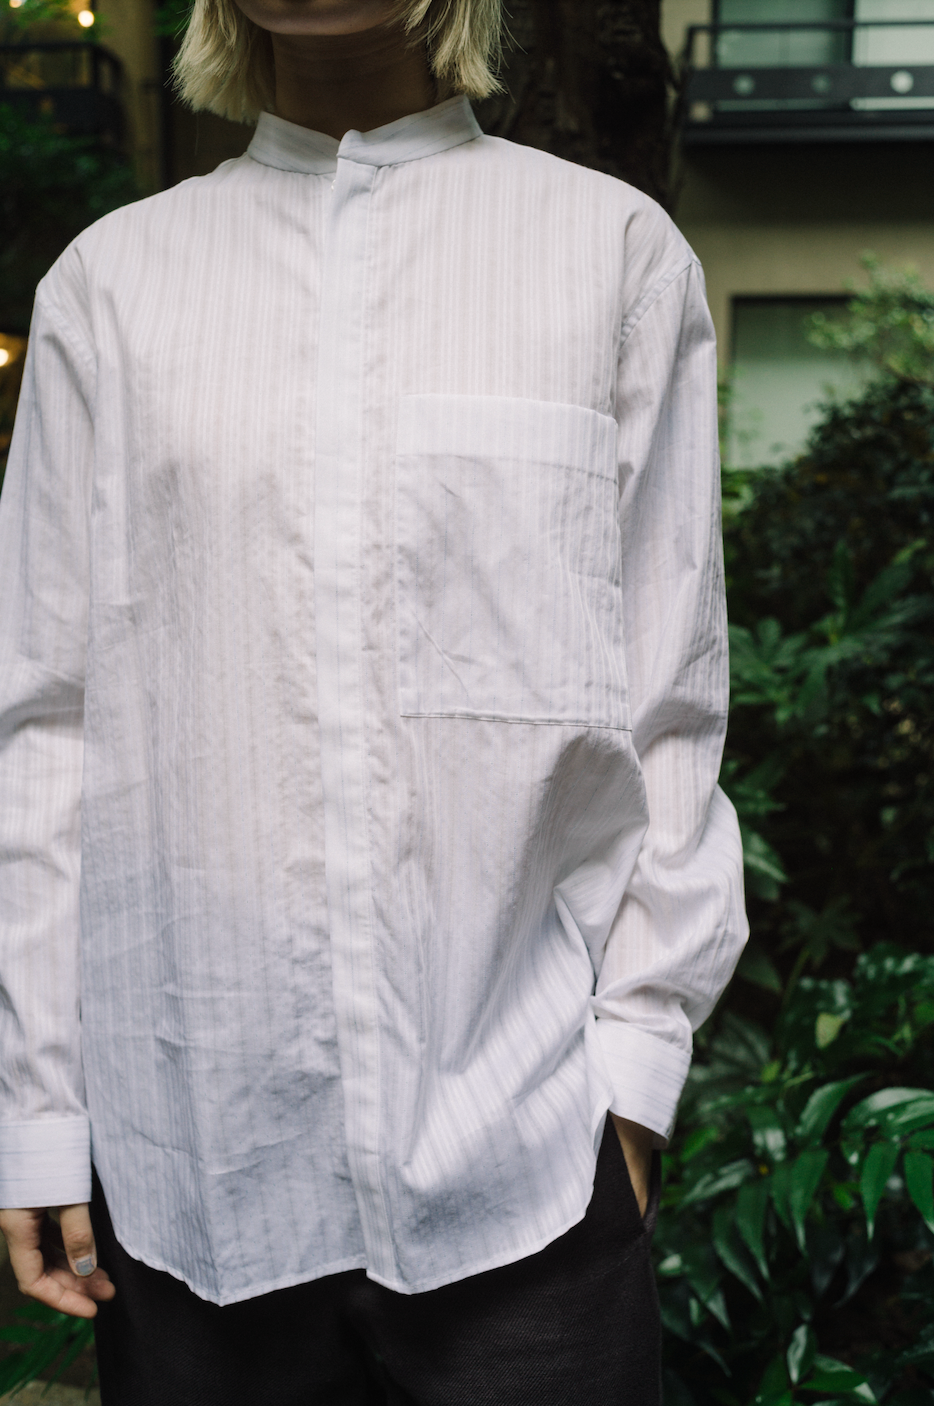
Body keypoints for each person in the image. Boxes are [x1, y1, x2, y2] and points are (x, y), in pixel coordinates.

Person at [0, 0, 748, 1400]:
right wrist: (39, 1108)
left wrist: (636, 1074)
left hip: (526, 1169)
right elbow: (46, 726)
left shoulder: (612, 255)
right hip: (193, 1170)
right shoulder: (110, 287)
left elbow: (668, 705)